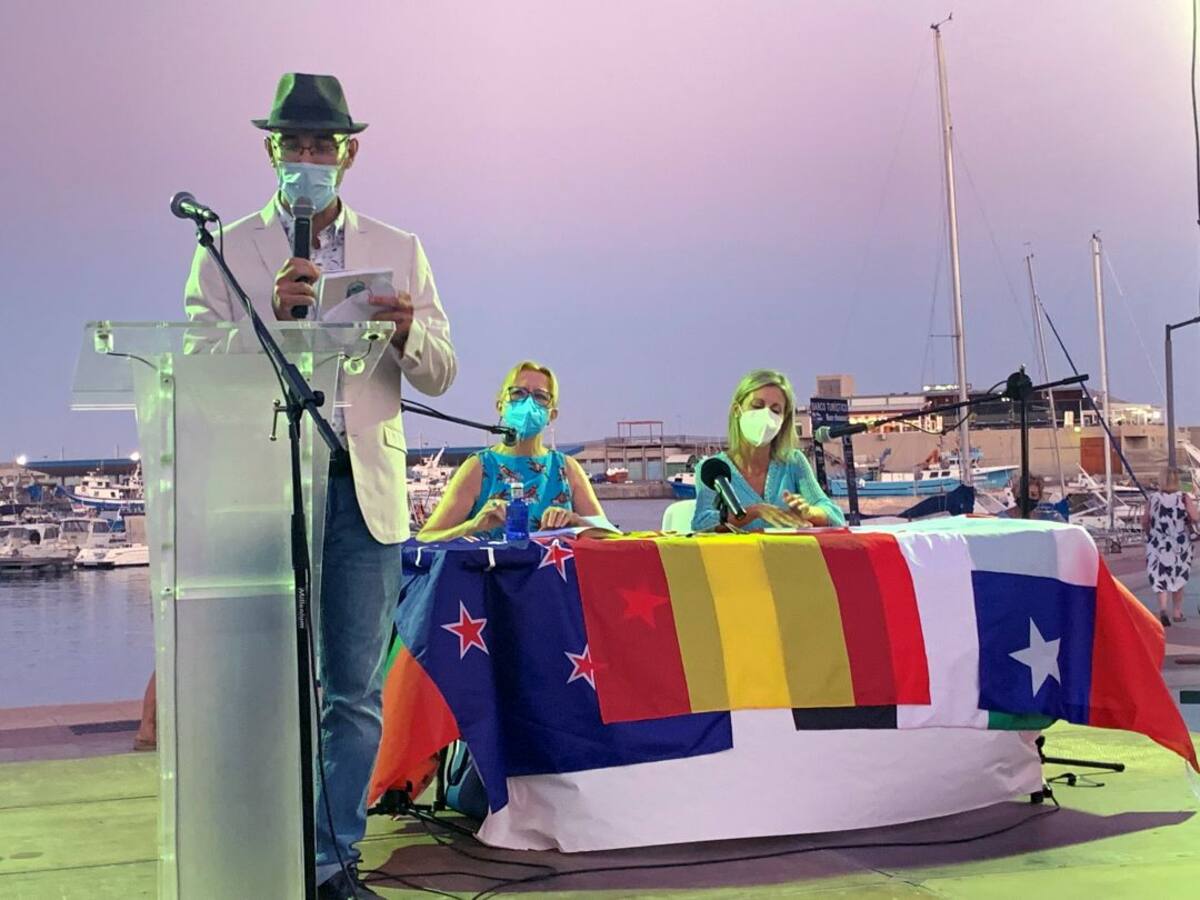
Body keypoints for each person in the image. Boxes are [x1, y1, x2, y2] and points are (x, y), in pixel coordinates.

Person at [185, 73, 456, 900]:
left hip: (361, 491)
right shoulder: (227, 247)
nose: (308, 156)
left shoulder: (399, 246)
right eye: (293, 143)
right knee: (260, 691)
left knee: (355, 694)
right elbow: (192, 366)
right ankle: (257, 855)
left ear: (349, 154)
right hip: (265, 489)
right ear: (271, 151)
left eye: (322, 144)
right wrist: (267, 317)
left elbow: (442, 372)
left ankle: (332, 862)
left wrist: (407, 333)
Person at [418, 361, 607, 541]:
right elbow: (425, 538)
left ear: (552, 414)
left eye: (540, 397)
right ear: (500, 406)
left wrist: (575, 522)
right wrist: (473, 527)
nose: (528, 403)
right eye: (518, 393)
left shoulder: (567, 469)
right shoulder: (479, 467)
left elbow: (610, 536)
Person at [692, 370, 845, 531]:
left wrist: (809, 512)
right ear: (737, 411)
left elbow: (835, 517)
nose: (766, 415)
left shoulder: (793, 462)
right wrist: (755, 512)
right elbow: (701, 522)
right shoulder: (712, 469)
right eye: (757, 406)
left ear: (783, 420)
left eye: (775, 410)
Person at [1142, 467, 1198, 627]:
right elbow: (1195, 517)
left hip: (1157, 542)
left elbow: (1145, 521)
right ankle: (1177, 612)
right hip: (1179, 543)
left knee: (1160, 576)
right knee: (1178, 576)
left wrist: (1150, 533)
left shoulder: (1153, 498)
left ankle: (1163, 610)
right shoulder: (1184, 497)